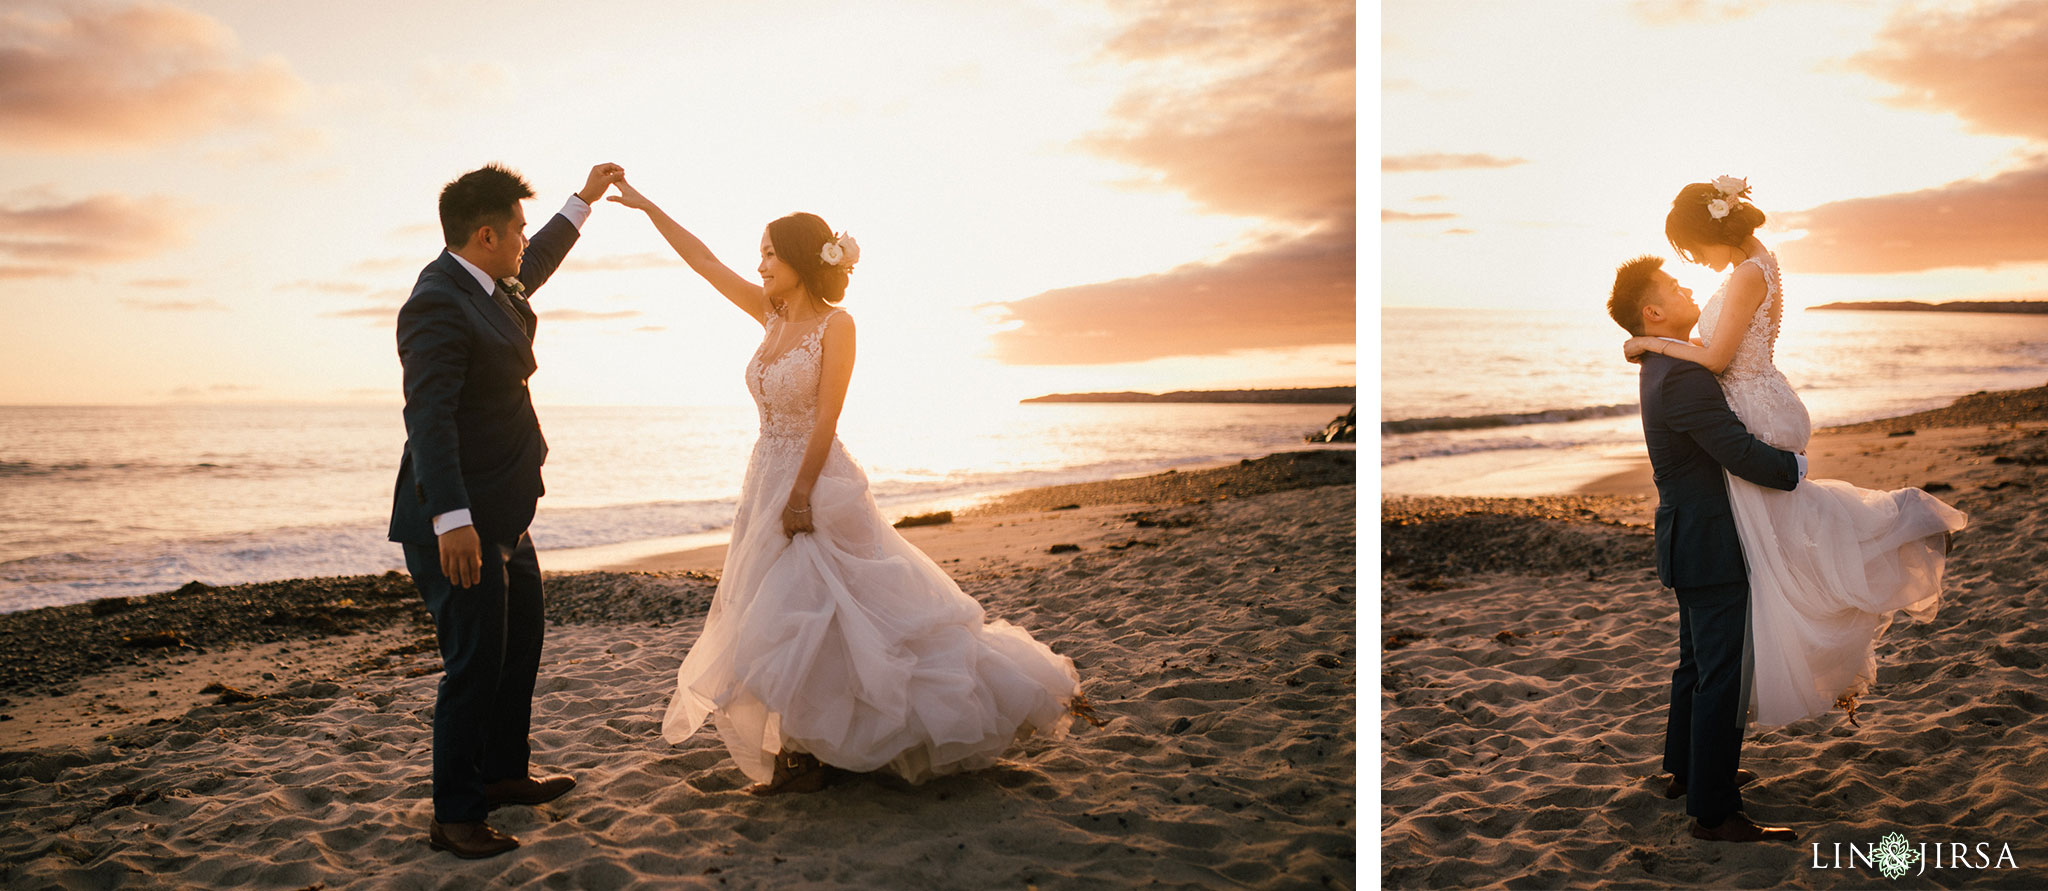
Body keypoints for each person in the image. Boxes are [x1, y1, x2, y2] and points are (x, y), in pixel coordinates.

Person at [605, 179, 1089, 795]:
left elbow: (828, 418)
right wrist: (648, 207)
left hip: (816, 479)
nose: (760, 264)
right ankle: (804, 750)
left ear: (804, 259)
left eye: (771, 253)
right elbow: (703, 261)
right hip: (764, 478)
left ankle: (814, 752)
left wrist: (802, 494)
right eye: (760, 253)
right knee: (775, 613)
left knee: (827, 610)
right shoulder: (768, 314)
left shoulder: (839, 326)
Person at [1622, 179, 1965, 730]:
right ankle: (1898, 522)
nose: (1695, 266)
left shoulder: (1746, 275)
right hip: (1766, 400)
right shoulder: (1759, 264)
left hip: (1758, 408)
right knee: (1787, 540)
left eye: (1692, 250)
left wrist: (1651, 344)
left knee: (1781, 539)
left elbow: (1713, 358)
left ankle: (1903, 520)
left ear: (1710, 231)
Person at [389, 162, 623, 858]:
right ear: (485, 235)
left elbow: (538, 260)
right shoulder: (435, 302)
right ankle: (455, 815)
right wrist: (451, 519)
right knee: (473, 666)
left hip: (507, 512)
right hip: (459, 520)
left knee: (519, 647)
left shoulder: (487, 282)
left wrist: (583, 200)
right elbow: (427, 416)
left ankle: (501, 773)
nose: (527, 239)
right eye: (518, 229)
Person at [1608, 254, 1803, 842]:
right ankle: (1714, 813)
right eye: (1672, 285)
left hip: (1685, 536)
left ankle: (1687, 771)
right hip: (1712, 540)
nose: (1685, 285)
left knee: (1697, 662)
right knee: (1723, 673)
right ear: (1653, 311)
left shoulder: (1658, 366)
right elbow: (1735, 449)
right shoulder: (1686, 376)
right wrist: (1792, 469)